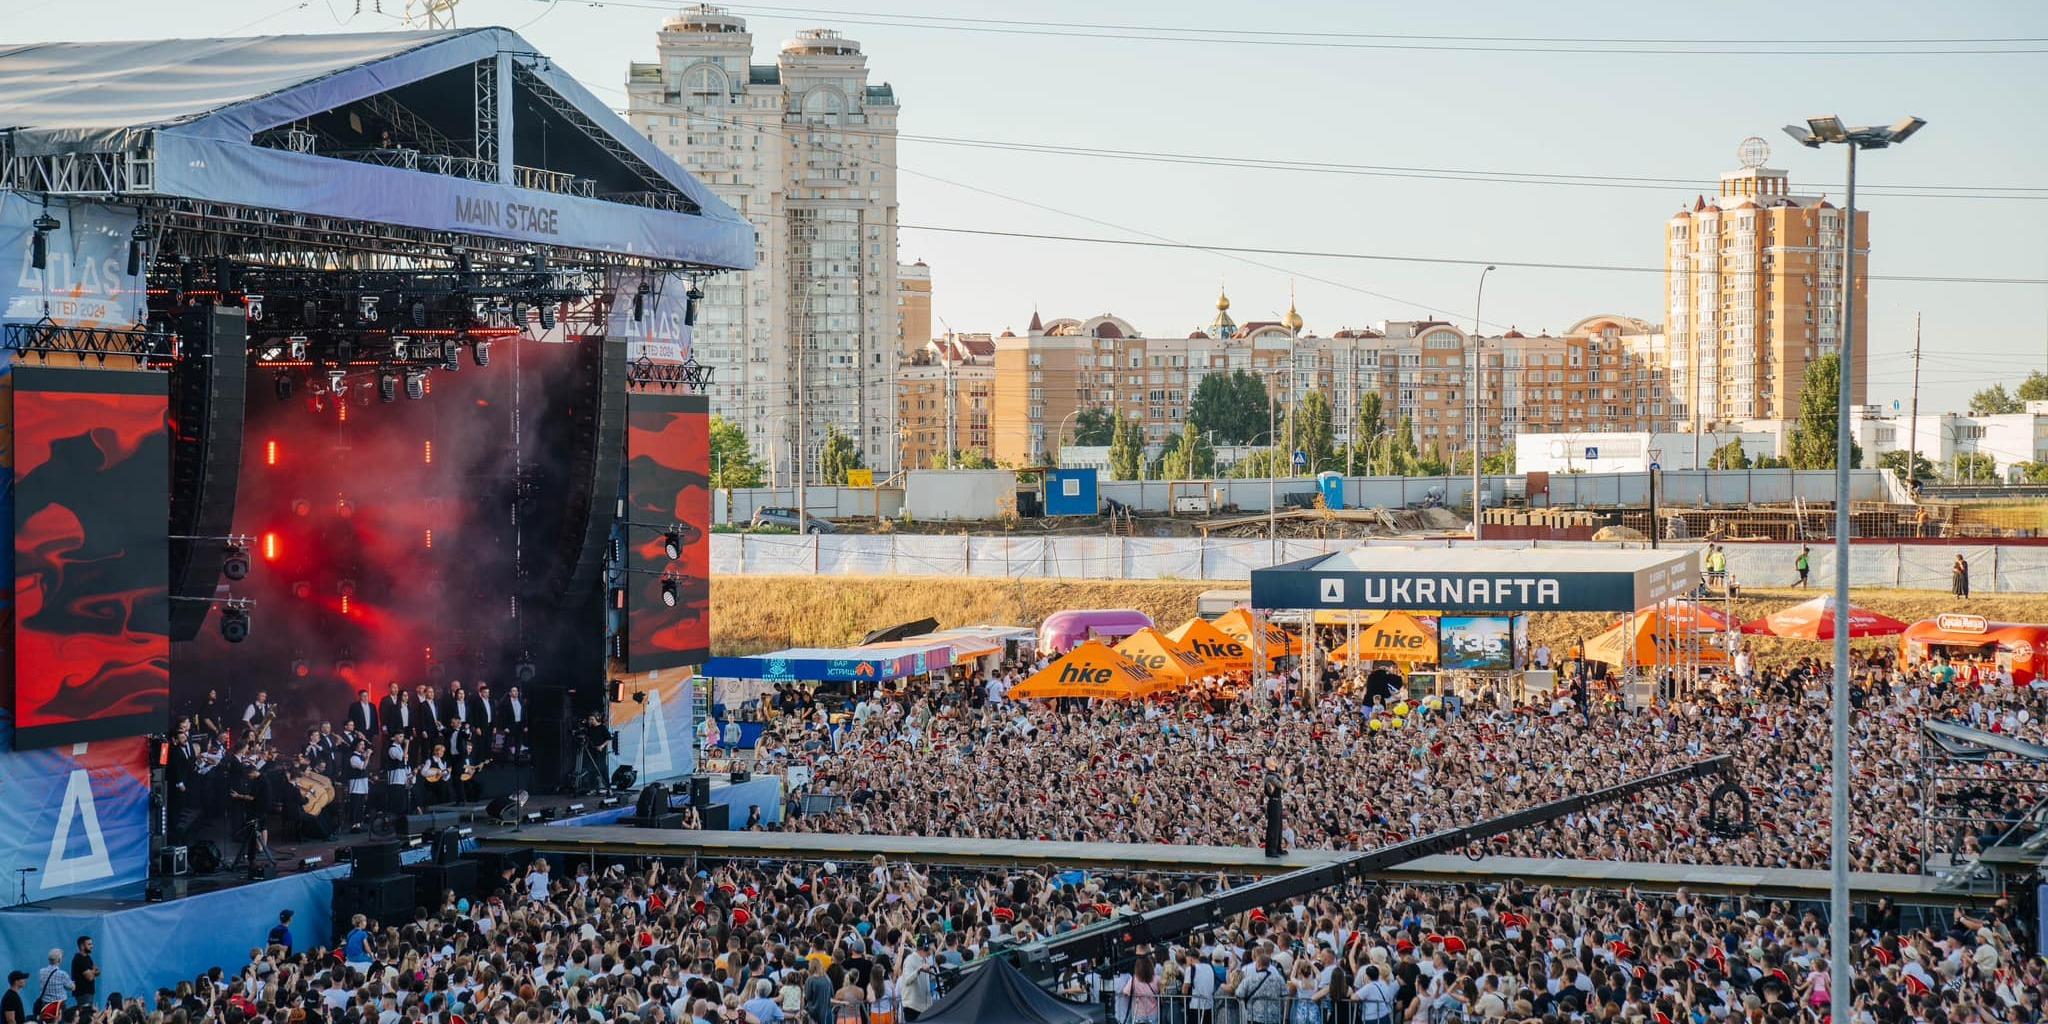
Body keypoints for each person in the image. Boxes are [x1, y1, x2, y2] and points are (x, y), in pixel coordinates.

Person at [30, 951, 70, 1021]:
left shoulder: (41, 971)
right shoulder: (62, 974)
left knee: (47, 1021)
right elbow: (71, 987)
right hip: (59, 1005)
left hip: (45, 1004)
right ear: (59, 960)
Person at [64, 938, 92, 1012]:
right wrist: (93, 972)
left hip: (88, 992)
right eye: (89, 944)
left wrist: (92, 972)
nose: (91, 946)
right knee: (85, 1013)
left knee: (88, 1012)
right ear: (82, 946)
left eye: (91, 944)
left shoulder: (88, 958)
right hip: (83, 993)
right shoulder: (79, 959)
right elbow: (90, 977)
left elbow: (97, 971)